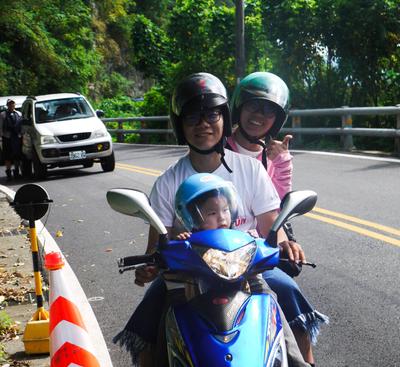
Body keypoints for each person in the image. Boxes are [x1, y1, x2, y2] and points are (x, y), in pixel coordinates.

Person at [114, 73, 320, 367]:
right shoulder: (168, 182)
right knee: (152, 306)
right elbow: (158, 243)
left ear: (224, 118)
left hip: (248, 270)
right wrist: (150, 265)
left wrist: (286, 245)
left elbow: (270, 225)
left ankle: (305, 362)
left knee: (285, 290)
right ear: (180, 125)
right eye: (193, 117)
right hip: (186, 275)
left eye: (212, 115)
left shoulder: (249, 169)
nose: (203, 125)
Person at [0, 99, 23, 180]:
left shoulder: (19, 114)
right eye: (10, 104)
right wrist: (2, 136)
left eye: (12, 104)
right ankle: (9, 172)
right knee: (7, 156)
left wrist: (21, 135)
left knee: (17, 156)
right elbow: (1, 126)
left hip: (17, 137)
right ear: (7, 105)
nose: (11, 105)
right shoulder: (3, 114)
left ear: (15, 104)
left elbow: (21, 126)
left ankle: (16, 171)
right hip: (7, 138)